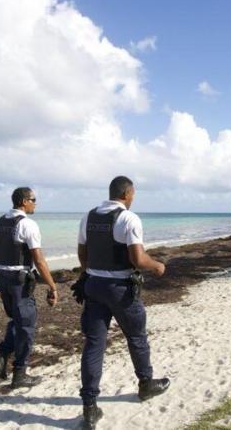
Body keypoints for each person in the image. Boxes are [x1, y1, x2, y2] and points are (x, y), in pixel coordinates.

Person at [76, 176, 170, 429]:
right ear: (127, 194)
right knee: (136, 337)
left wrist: (93, 273)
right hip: (120, 289)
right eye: (133, 194)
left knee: (94, 344)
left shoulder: (89, 216)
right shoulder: (129, 218)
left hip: (93, 286)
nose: (133, 198)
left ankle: (90, 407)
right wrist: (157, 265)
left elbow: (81, 253)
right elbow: (138, 259)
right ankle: (146, 384)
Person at [0, 187, 59, 388]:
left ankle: (1, 359)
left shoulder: (0, 222)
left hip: (2, 277)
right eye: (34, 199)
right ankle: (20, 373)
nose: (36, 203)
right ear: (24, 201)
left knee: (16, 321)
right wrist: (52, 286)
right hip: (19, 280)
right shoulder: (28, 224)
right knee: (26, 326)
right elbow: (39, 259)